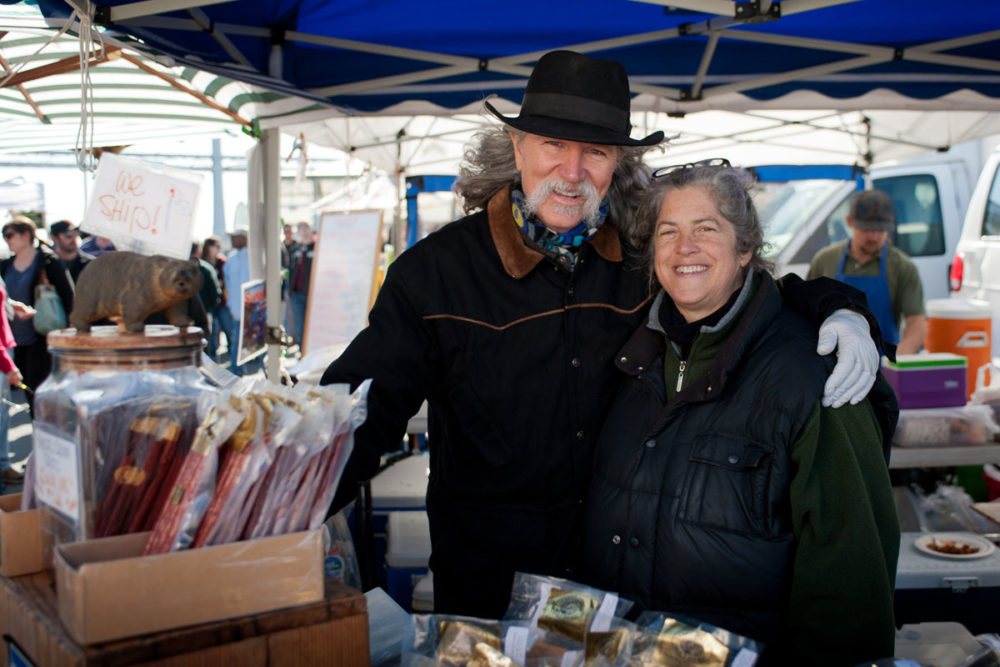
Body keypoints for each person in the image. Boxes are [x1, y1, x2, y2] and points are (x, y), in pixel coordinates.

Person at [320, 50, 881, 618]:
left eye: (594, 151)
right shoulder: (434, 274)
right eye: (553, 145)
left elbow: (740, 282)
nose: (572, 172)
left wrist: (841, 309)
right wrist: (280, 516)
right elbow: (358, 415)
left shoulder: (642, 259)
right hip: (488, 600)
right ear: (518, 148)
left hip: (614, 596)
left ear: (616, 162)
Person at [580, 162, 899, 665]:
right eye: (669, 232)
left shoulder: (815, 376)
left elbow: (851, 585)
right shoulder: (630, 361)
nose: (684, 247)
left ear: (746, 247)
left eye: (706, 229)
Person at [807, 189, 928, 354]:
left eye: (880, 231)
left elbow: (917, 322)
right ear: (849, 222)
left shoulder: (902, 267)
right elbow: (805, 314)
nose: (873, 236)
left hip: (882, 367)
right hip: (831, 363)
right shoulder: (825, 261)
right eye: (866, 229)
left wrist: (898, 357)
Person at [0, 216, 74, 416]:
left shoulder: (48, 261)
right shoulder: (5, 265)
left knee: (41, 393)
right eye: (4, 236)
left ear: (26, 235)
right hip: (15, 341)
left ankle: (46, 437)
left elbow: (69, 298)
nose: (7, 240)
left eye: (9, 235)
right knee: (27, 393)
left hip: (41, 338)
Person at [222, 227, 261, 375]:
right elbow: (228, 283)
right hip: (237, 308)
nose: (233, 241)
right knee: (237, 341)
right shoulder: (231, 259)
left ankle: (263, 367)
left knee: (258, 338)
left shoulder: (255, 256)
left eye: (236, 237)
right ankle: (236, 369)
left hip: (254, 307)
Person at [0, 278, 24, 487]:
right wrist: (8, 365)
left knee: (3, 414)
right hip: (2, 354)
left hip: (5, 348)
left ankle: (3, 464)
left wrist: (9, 305)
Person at [202, 236, 232, 361]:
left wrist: (221, 284)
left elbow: (229, 279)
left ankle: (231, 352)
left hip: (223, 301)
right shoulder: (203, 263)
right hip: (209, 303)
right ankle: (213, 356)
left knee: (228, 327)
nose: (217, 249)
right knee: (212, 332)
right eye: (215, 246)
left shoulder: (222, 262)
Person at [287, 222, 314, 348]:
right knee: (299, 326)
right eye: (301, 229)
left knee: (312, 325)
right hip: (296, 293)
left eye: (305, 228)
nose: (304, 231)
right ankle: (302, 352)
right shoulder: (295, 250)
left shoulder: (316, 248)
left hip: (312, 293)